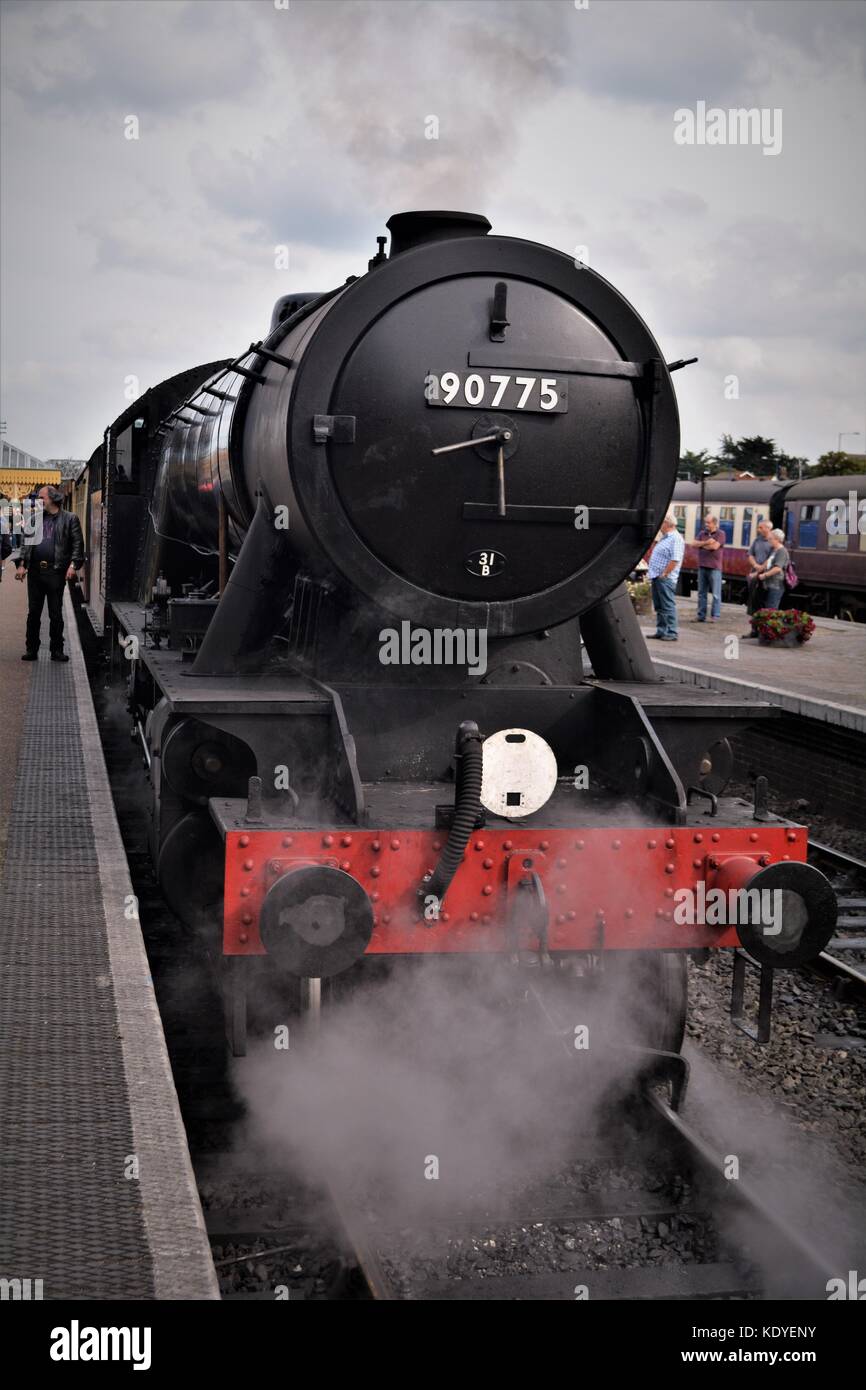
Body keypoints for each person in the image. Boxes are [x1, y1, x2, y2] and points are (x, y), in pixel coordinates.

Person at [15, 484, 84, 661]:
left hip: (56, 572)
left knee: (55, 613)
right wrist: (22, 565)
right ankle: (31, 649)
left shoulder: (70, 519)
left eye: (41, 498)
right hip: (36, 572)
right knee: (33, 613)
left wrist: (73, 566)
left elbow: (77, 545)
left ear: (52, 499)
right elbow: (26, 543)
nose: (38, 501)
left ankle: (57, 650)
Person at [647, 513, 685, 641]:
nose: (659, 526)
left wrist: (665, 574)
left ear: (667, 523)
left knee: (667, 605)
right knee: (660, 606)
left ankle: (672, 632)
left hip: (665, 578)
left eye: (661, 523)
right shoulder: (666, 537)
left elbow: (675, 559)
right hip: (657, 576)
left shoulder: (676, 539)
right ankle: (661, 630)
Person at [694, 513, 725, 622]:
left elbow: (715, 546)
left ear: (714, 523)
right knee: (702, 593)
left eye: (708, 522)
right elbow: (693, 544)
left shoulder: (721, 534)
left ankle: (715, 615)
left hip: (715, 568)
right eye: (705, 522)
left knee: (716, 594)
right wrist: (707, 542)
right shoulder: (702, 533)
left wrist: (701, 545)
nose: (706, 524)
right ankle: (701, 615)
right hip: (702, 566)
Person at [752, 528, 790, 614]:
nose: (769, 540)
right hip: (768, 584)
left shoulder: (782, 552)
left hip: (776, 585)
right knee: (765, 609)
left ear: (777, 539)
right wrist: (756, 573)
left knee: (771, 609)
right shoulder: (774, 551)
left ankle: (771, 627)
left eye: (771, 539)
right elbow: (766, 564)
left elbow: (777, 568)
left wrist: (765, 575)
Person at [745, 518, 773, 626]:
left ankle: (762, 627)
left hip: (765, 576)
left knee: (763, 603)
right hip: (755, 574)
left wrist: (760, 568)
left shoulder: (773, 542)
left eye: (761, 527)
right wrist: (755, 565)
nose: (758, 529)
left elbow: (771, 558)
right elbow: (750, 554)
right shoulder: (757, 540)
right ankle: (754, 628)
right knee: (753, 602)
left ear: (768, 528)